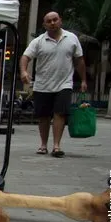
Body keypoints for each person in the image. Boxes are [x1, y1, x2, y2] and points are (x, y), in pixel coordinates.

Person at [19, 11, 87, 158]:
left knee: (59, 113)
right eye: (49, 21)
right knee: (43, 116)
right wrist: (24, 71)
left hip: (64, 84)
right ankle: (43, 145)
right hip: (43, 84)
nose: (52, 23)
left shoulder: (72, 38)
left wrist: (83, 80)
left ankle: (56, 146)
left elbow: (79, 60)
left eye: (55, 20)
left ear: (60, 21)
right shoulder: (38, 41)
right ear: (44, 25)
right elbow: (25, 57)